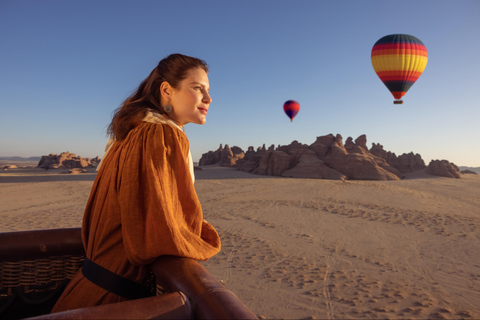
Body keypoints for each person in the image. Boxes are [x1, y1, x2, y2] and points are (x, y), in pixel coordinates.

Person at [51, 53, 221, 312]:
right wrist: (205, 234)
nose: (208, 99)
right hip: (113, 303)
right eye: (198, 88)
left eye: (208, 90)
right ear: (167, 90)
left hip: (88, 293)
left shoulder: (135, 130)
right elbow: (161, 232)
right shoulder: (160, 135)